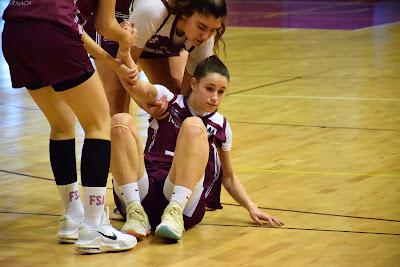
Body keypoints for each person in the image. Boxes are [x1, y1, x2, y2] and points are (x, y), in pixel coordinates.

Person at [1, 0, 137, 254]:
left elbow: (76, 28)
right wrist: (125, 36)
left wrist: (111, 63)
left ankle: (73, 215)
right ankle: (95, 225)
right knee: (98, 123)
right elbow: (106, 26)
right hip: (52, 32)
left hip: (15, 34)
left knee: (62, 125)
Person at [110, 56, 284, 241]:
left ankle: (174, 213)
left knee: (193, 125)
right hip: (144, 187)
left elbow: (229, 177)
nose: (215, 97)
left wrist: (252, 206)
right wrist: (126, 51)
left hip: (183, 200)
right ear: (193, 83)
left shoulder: (221, 126)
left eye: (221, 91)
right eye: (209, 88)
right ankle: (134, 211)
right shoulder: (167, 99)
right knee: (120, 120)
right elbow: (142, 88)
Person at [91, 0, 227, 116]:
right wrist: (145, 102)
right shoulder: (152, 11)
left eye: (213, 30)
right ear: (186, 13)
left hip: (152, 33)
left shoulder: (205, 39)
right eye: (201, 27)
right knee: (118, 106)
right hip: (121, 20)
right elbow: (125, 64)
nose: (205, 36)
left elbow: (186, 99)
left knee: (172, 103)